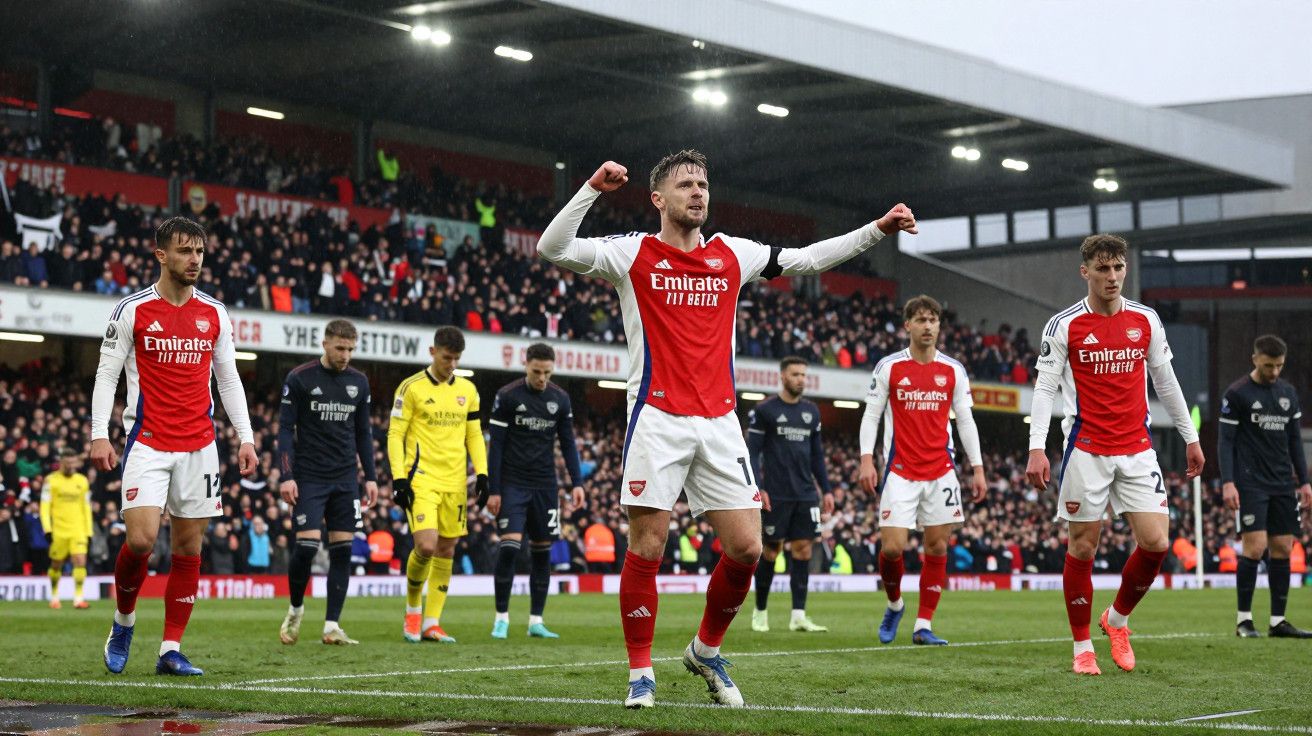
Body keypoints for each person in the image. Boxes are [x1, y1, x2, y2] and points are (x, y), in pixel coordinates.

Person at [536, 150, 917, 708]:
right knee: (648, 545)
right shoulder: (631, 254)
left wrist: (878, 229)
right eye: (686, 184)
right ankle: (641, 673)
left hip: (719, 422)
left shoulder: (732, 255)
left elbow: (809, 259)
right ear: (658, 199)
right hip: (657, 419)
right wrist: (591, 188)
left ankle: (705, 650)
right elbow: (553, 248)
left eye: (704, 184)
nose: (698, 192)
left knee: (747, 548)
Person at [1025, 234, 1204, 676]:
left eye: (1118, 267)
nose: (1112, 276)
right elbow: (1045, 388)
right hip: (1086, 448)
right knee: (1083, 546)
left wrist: (1190, 436)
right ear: (1084, 271)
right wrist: (1036, 447)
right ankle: (1082, 646)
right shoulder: (1064, 324)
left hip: (1138, 447)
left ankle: (1117, 621)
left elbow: (1166, 381)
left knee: (1157, 542)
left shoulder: (1145, 320)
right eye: (1102, 269)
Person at [92, 216, 258, 676]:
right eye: (185, 251)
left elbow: (228, 378)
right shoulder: (133, 309)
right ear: (161, 255)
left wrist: (245, 437)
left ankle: (170, 648)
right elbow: (107, 374)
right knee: (142, 540)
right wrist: (98, 434)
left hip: (200, 444)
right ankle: (124, 622)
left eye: (200, 252)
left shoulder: (215, 312)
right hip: (146, 440)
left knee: (188, 548)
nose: (195, 260)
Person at [859, 295, 986, 646]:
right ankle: (895, 603)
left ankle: (923, 625)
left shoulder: (953, 370)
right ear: (908, 326)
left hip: (941, 470)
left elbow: (967, 422)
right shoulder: (890, 367)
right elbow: (871, 415)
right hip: (900, 470)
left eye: (933, 320)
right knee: (893, 548)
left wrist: (978, 468)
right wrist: (866, 458)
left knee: (937, 546)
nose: (927, 325)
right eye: (920, 320)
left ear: (939, 326)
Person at [276, 318, 379, 647]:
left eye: (350, 349)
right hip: (310, 477)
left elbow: (364, 433)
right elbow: (284, 431)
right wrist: (286, 475)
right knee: (306, 547)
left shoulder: (359, 383)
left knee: (343, 551)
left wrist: (372, 478)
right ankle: (295, 609)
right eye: (340, 348)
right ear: (325, 344)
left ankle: (332, 625)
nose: (345, 355)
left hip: (346, 478)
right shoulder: (301, 378)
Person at [388, 326, 487, 644]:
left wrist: (482, 473)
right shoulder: (411, 387)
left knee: (447, 548)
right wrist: (399, 478)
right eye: (447, 358)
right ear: (433, 352)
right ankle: (413, 610)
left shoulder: (468, 390)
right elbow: (395, 435)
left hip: (455, 482)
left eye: (457, 359)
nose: (452, 365)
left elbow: (473, 434)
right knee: (426, 546)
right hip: (421, 480)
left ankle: (432, 622)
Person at [486, 342, 585, 639]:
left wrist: (577, 482)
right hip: (512, 484)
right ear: (526, 365)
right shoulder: (507, 396)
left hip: (545, 484)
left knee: (542, 552)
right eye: (537, 371)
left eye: (547, 372)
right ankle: (501, 617)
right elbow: (497, 445)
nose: (542, 378)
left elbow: (567, 443)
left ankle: (535, 621)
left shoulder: (560, 399)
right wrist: (494, 489)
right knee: (509, 548)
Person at [1218, 334, 1312, 638]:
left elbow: (1295, 441)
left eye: (1279, 366)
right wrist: (1229, 482)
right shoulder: (1237, 394)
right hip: (1250, 482)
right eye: (1269, 365)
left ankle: (1277, 621)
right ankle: (1244, 620)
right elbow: (1225, 441)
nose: (1274, 371)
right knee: (1255, 547)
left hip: (1283, 482)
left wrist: (1305, 481)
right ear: (1255, 359)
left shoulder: (1288, 393)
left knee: (1283, 547)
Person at [747, 356, 833, 634]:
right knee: (771, 549)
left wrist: (826, 489)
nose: (801, 380)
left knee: (804, 548)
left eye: (804, 375)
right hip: (776, 492)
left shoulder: (812, 412)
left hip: (806, 493)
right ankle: (760, 611)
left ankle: (798, 615)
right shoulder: (765, 410)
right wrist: (758, 487)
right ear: (782, 376)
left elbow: (817, 456)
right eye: (795, 374)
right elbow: (753, 451)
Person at [41, 447, 93, 609]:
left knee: (80, 561)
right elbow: (44, 506)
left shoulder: (82, 481)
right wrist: (47, 529)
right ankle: (54, 596)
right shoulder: (50, 480)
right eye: (68, 462)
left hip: (78, 529)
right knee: (56, 564)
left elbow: (86, 507)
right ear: (61, 462)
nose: (71, 465)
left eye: (73, 462)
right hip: (59, 529)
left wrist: (89, 531)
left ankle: (78, 599)